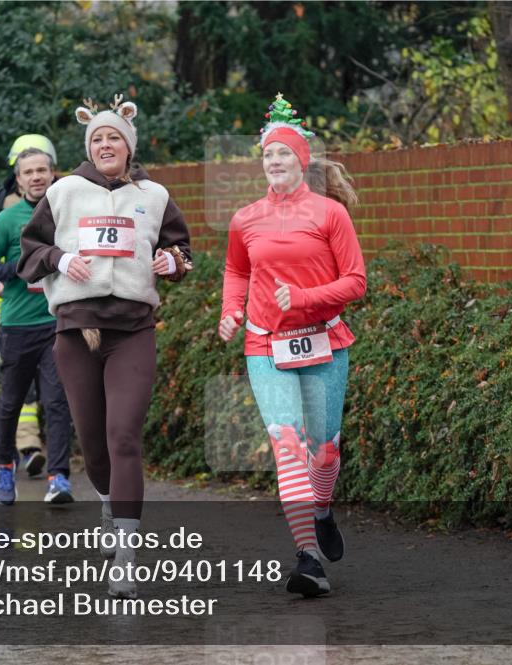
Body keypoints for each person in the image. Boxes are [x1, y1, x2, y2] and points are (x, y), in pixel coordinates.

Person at [18, 94, 192, 598]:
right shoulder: (65, 191)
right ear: (88, 148)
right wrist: (59, 257)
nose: (105, 145)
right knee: (93, 447)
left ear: (128, 145)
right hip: (76, 330)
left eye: (114, 137)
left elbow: (181, 251)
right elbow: (29, 254)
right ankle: (106, 498)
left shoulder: (154, 196)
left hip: (132, 328)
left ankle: (126, 555)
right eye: (97, 139)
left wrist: (172, 263)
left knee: (124, 438)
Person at [218, 93, 366, 598]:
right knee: (287, 444)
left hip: (324, 341)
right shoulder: (245, 219)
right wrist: (230, 312)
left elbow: (356, 281)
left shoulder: (330, 215)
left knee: (323, 451)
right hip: (266, 346)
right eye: (267, 155)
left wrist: (305, 297)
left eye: (283, 154)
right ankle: (307, 557)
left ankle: (323, 509)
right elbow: (237, 268)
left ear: (300, 160)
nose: (274, 162)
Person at [0, 146, 75, 506]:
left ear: (52, 174)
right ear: (18, 180)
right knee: (11, 403)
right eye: (28, 172)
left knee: (58, 402)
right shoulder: (7, 219)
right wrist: (18, 270)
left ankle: (59, 477)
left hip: (57, 321)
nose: (36, 177)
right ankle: (4, 466)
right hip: (18, 325)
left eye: (42, 170)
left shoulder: (67, 214)